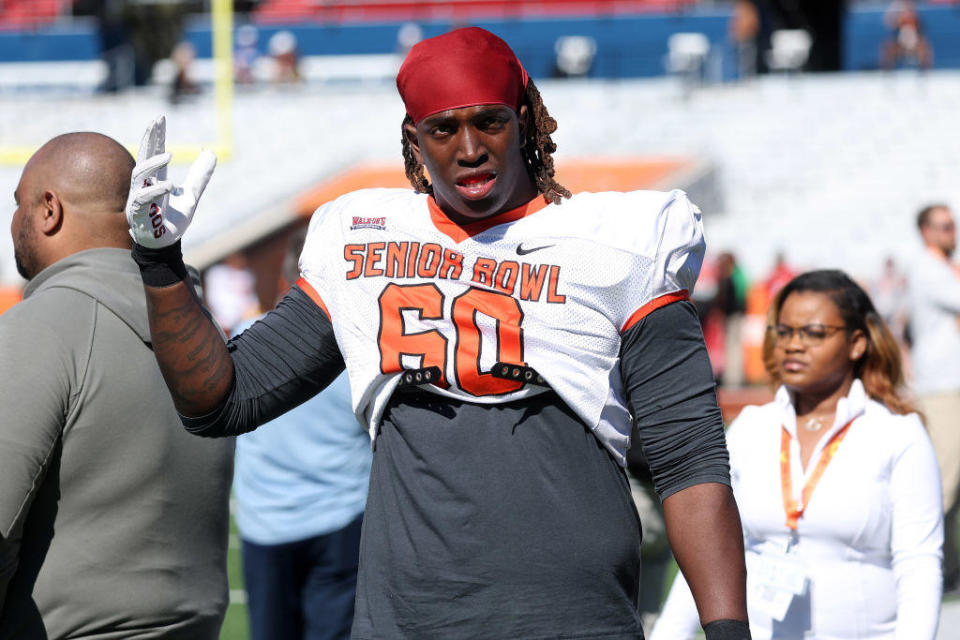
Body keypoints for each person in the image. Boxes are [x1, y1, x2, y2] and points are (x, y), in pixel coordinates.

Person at [125, 27, 750, 639]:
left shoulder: (619, 240)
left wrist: (728, 631)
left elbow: (688, 458)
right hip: (407, 620)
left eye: (490, 121)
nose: (469, 148)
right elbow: (220, 400)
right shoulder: (360, 236)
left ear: (527, 117)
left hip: (571, 618)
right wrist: (161, 262)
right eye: (444, 128)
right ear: (414, 139)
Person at [0, 132, 234, 638]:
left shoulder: (41, 325)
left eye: (17, 204)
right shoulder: (201, 330)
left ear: (48, 210)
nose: (12, 221)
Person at [652, 269, 943, 639]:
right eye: (784, 331)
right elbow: (708, 552)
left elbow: (918, 564)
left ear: (857, 343)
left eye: (814, 333)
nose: (793, 344)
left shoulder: (898, 433)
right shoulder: (751, 428)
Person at [234, 229, 372, 640]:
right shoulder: (359, 350)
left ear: (286, 277)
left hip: (267, 523)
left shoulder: (244, 337)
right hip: (340, 519)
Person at [908, 203, 960, 594]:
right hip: (943, 387)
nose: (951, 232)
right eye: (943, 227)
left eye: (952, 225)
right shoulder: (929, 269)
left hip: (949, 383)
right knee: (943, 482)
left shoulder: (940, 268)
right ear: (926, 231)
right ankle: (926, 569)